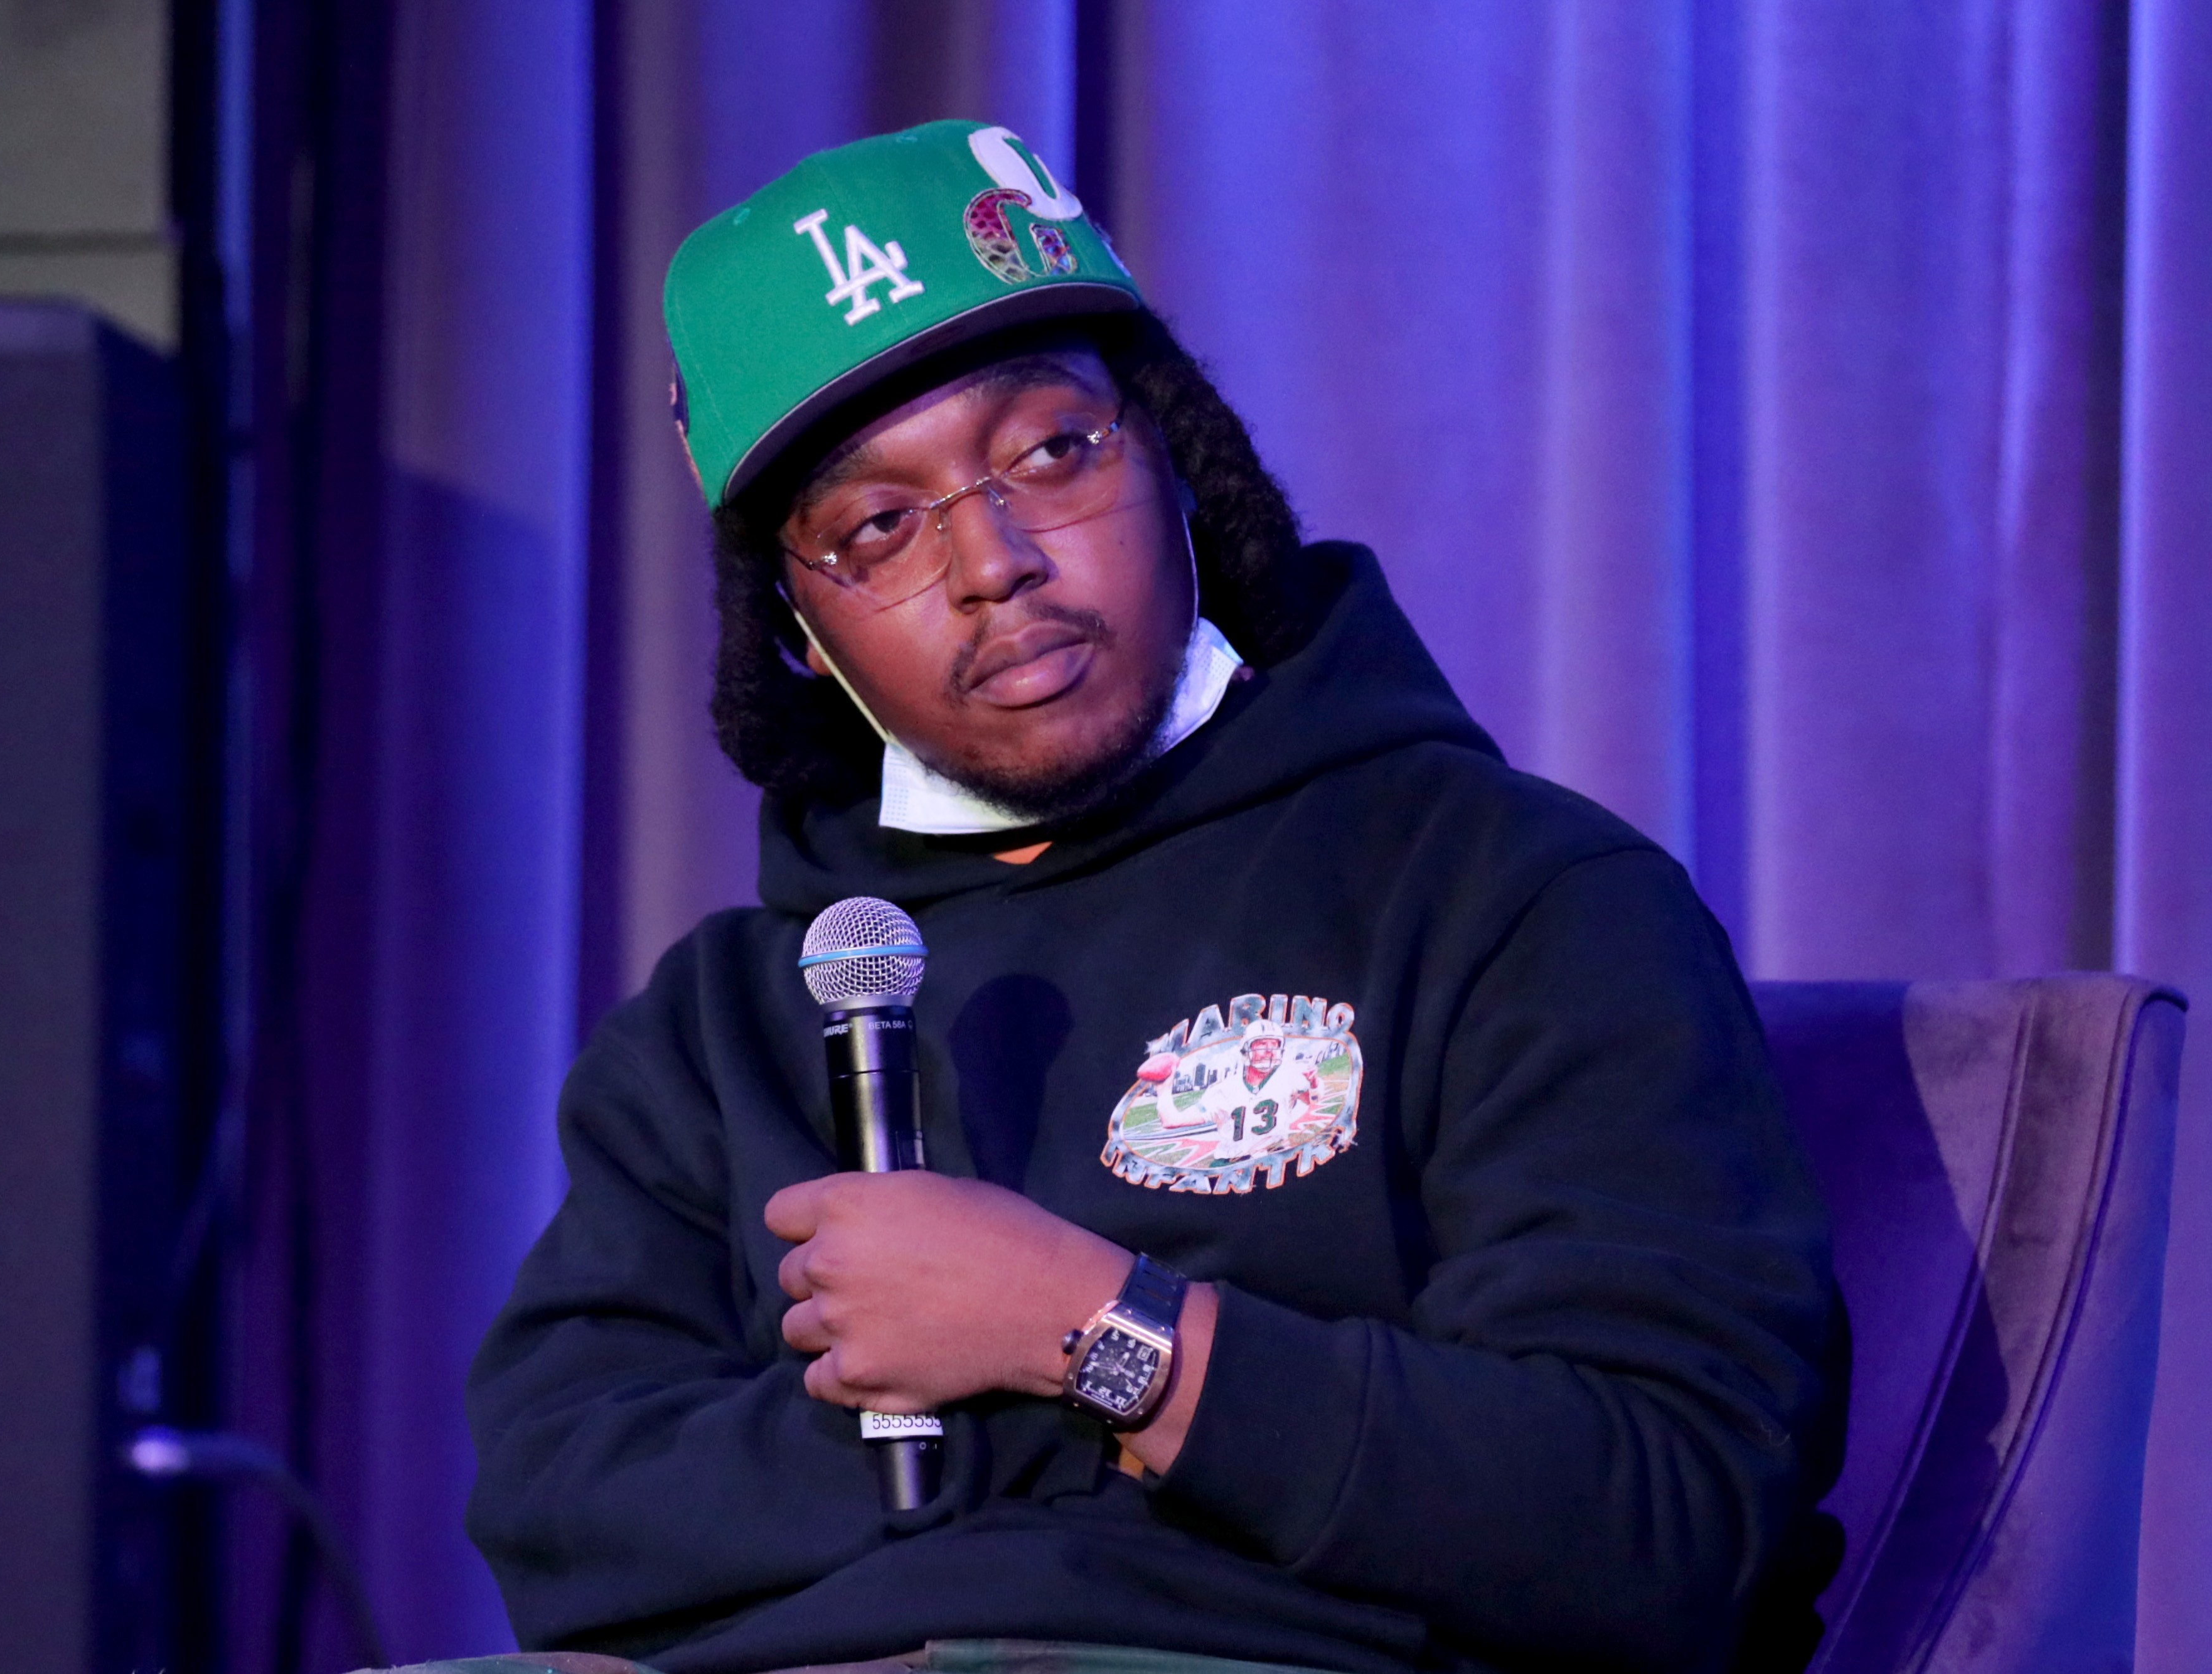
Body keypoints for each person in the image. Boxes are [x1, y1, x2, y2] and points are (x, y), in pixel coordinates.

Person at [466, 120, 1846, 1674]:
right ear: (799, 632)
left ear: (1181, 453)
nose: (992, 560)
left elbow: (1663, 1521)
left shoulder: (1515, 900)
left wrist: (1091, 1329)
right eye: (878, 526)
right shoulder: (723, 1024)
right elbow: (557, 1509)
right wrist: (996, 1421)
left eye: (1051, 450)